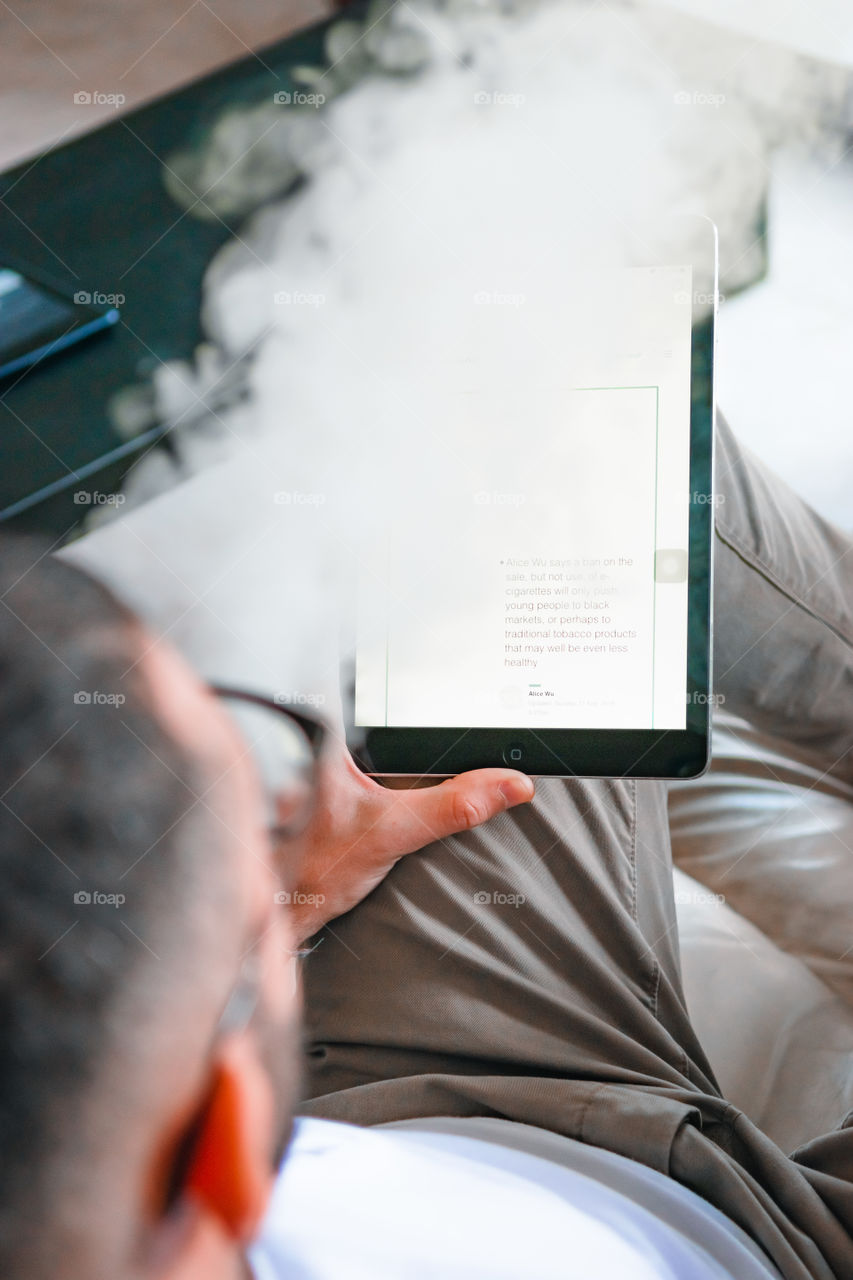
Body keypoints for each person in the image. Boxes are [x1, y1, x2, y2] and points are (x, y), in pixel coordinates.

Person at [1, 414, 852, 1280]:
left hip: (422, 1103)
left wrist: (275, 910)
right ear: (226, 1138)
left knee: (531, 443)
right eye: (252, 821)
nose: (291, 804)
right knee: (577, 440)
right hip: (782, 1249)